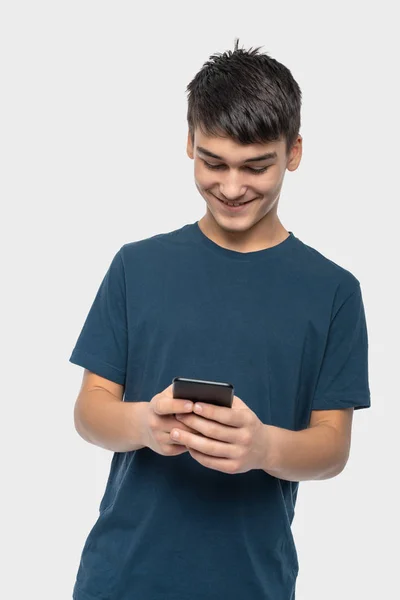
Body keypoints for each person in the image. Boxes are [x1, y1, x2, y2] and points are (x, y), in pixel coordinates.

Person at [69, 38, 371, 600]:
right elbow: (90, 412)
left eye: (257, 167)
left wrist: (265, 450)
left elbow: (333, 448)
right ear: (189, 143)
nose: (232, 188)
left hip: (251, 583)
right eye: (214, 163)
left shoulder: (333, 291)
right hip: (119, 579)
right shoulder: (137, 266)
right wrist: (144, 426)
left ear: (295, 151)